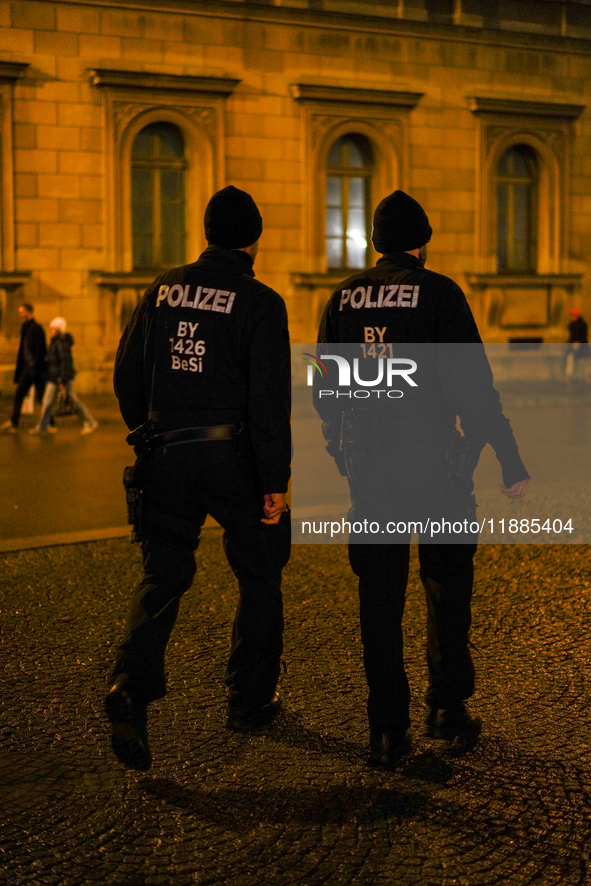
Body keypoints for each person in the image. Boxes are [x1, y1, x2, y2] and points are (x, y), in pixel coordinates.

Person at [316, 190, 529, 768]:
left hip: (373, 474)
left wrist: (343, 453)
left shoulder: (342, 300)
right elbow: (475, 391)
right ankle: (445, 709)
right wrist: (509, 459)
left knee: (378, 599)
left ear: (375, 245)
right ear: (422, 244)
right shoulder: (439, 293)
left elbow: (327, 392)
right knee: (446, 586)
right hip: (436, 466)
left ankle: (386, 729)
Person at [105, 186, 291, 772]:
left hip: (166, 456)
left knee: (163, 577)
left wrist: (151, 432)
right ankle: (248, 698)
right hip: (233, 457)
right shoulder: (260, 301)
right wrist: (275, 480)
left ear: (207, 234)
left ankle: (130, 687)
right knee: (260, 573)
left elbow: (126, 378)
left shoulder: (160, 289)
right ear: (252, 239)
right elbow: (268, 401)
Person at [29, 317, 98, 436]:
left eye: (52, 329)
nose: (50, 330)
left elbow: (64, 363)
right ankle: (42, 426)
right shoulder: (55, 343)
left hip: (60, 378)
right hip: (54, 377)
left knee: (73, 401)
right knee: (47, 402)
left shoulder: (60, 344)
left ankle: (89, 422)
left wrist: (62, 380)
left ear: (57, 330)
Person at [0, 303, 47, 433]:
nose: (20, 315)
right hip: (28, 370)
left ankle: (49, 423)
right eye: (19, 312)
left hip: (35, 370)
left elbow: (40, 351)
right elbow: (23, 350)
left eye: (22, 312)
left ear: (30, 312)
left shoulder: (37, 329)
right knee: (19, 394)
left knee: (42, 397)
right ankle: (14, 422)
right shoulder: (25, 328)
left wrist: (36, 368)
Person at [564, 307, 591, 382]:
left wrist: (578, 342)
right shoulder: (571, 324)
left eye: (572, 315)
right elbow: (571, 336)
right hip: (574, 345)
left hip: (582, 346)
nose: (571, 317)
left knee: (584, 362)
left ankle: (589, 377)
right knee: (570, 359)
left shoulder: (583, 324)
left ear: (576, 316)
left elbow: (584, 336)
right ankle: (567, 376)